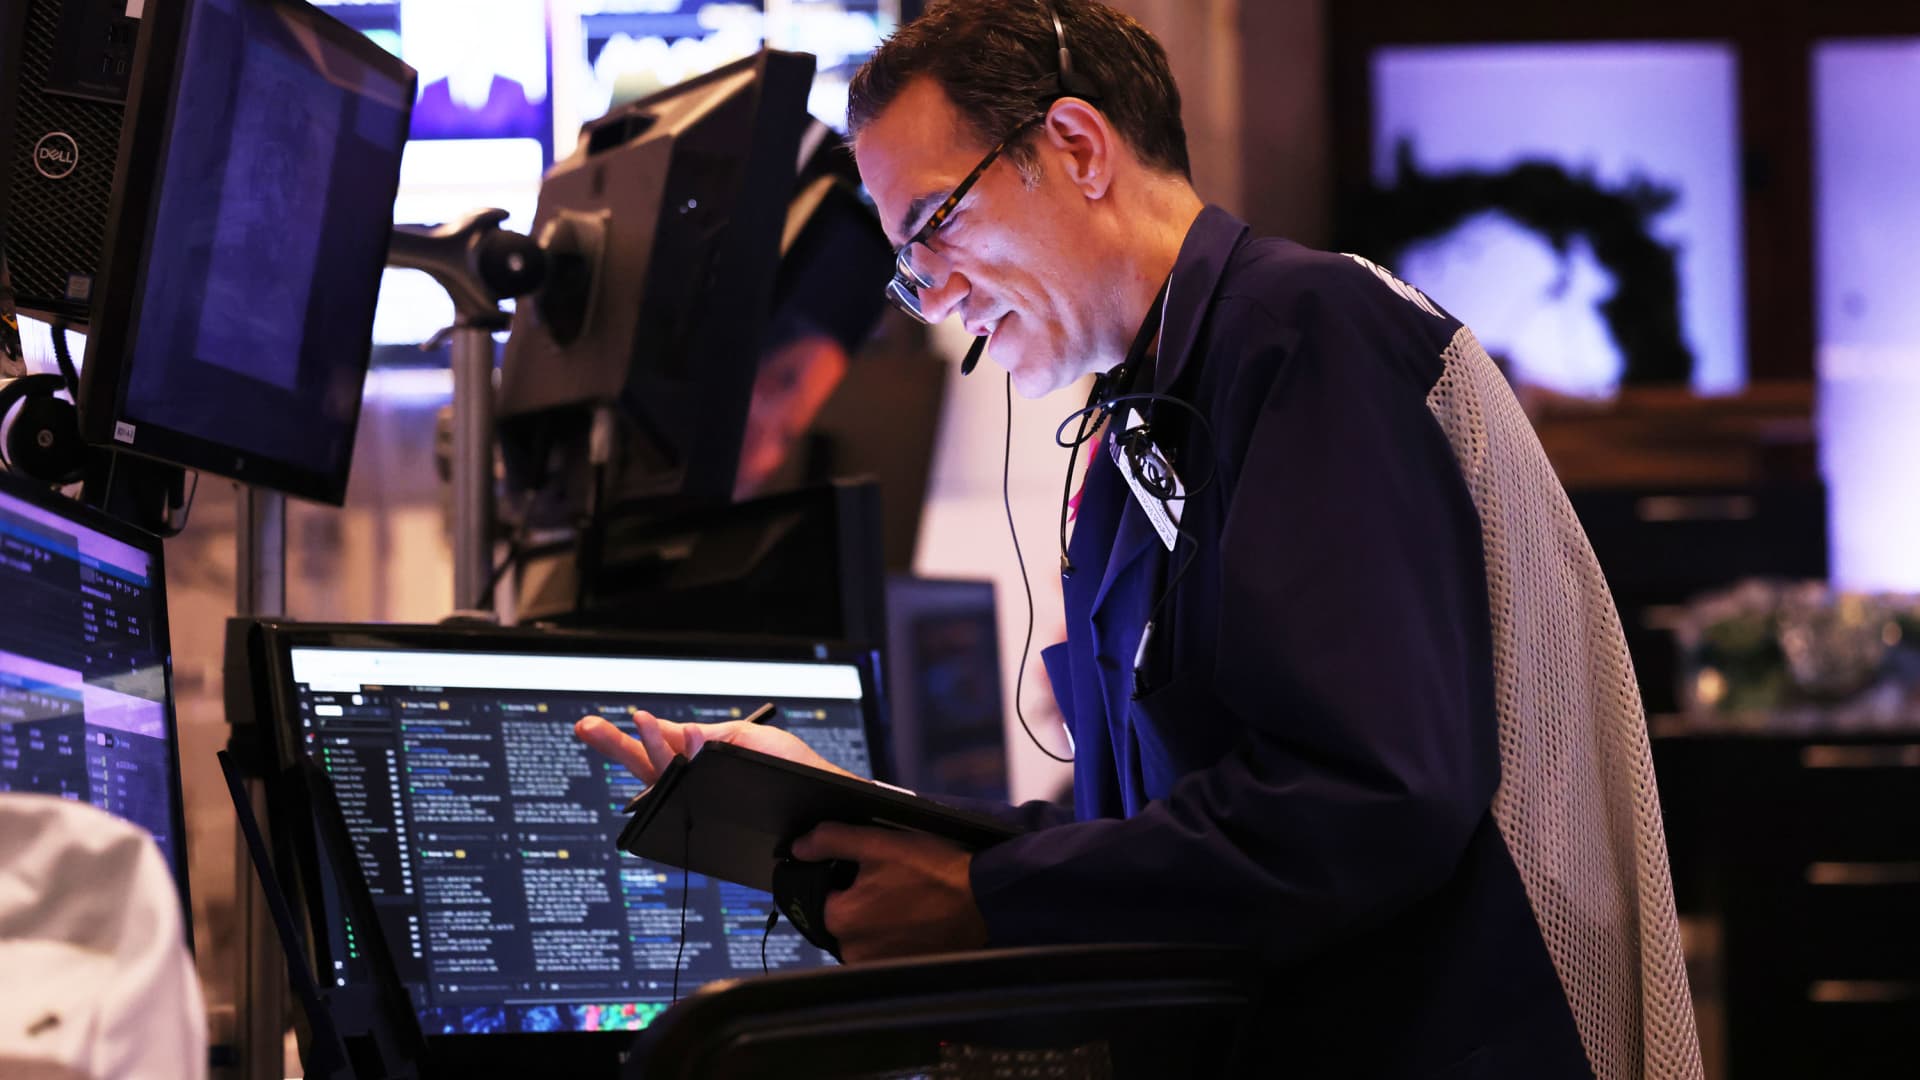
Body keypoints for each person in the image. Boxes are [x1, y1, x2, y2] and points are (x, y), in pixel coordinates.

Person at [577, 2, 1668, 1074]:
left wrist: (984, 896)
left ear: (1077, 146)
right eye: (908, 264)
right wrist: (865, 818)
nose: (936, 295)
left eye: (935, 224)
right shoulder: (1135, 433)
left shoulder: (1303, 331)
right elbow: (1156, 837)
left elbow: (1370, 802)